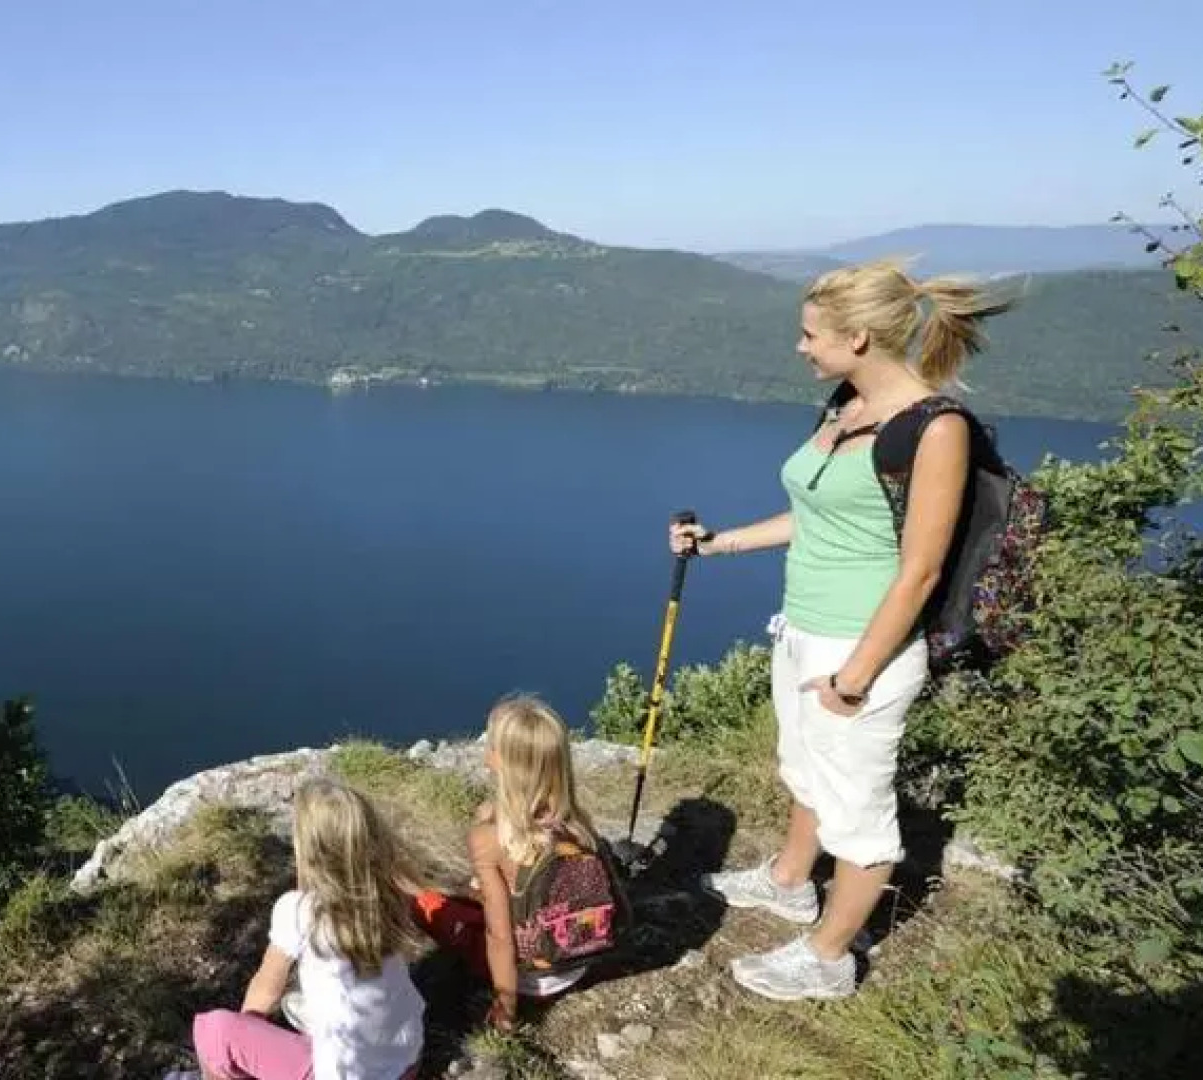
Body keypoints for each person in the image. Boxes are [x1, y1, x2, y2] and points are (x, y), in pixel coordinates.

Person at [671, 257, 1010, 1001]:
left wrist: (855, 677)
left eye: (809, 334)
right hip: (802, 628)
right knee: (804, 767)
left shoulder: (934, 428)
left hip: (864, 650)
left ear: (858, 336)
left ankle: (829, 956)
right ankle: (792, 880)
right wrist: (721, 542)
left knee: (858, 811)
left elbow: (918, 571)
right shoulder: (843, 404)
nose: (800, 346)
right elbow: (819, 515)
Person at [191, 778, 427, 1080]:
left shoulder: (299, 911)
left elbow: (266, 988)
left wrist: (250, 1031)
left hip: (346, 1074)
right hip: (407, 1061)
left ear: (308, 850)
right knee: (298, 1002)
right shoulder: (390, 894)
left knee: (215, 1031)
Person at [410, 696, 620, 1030]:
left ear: (504, 763)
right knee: (484, 888)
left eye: (491, 745)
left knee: (423, 903)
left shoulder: (487, 840)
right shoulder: (577, 823)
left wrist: (505, 1006)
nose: (486, 752)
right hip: (580, 959)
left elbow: (498, 937)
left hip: (530, 978)